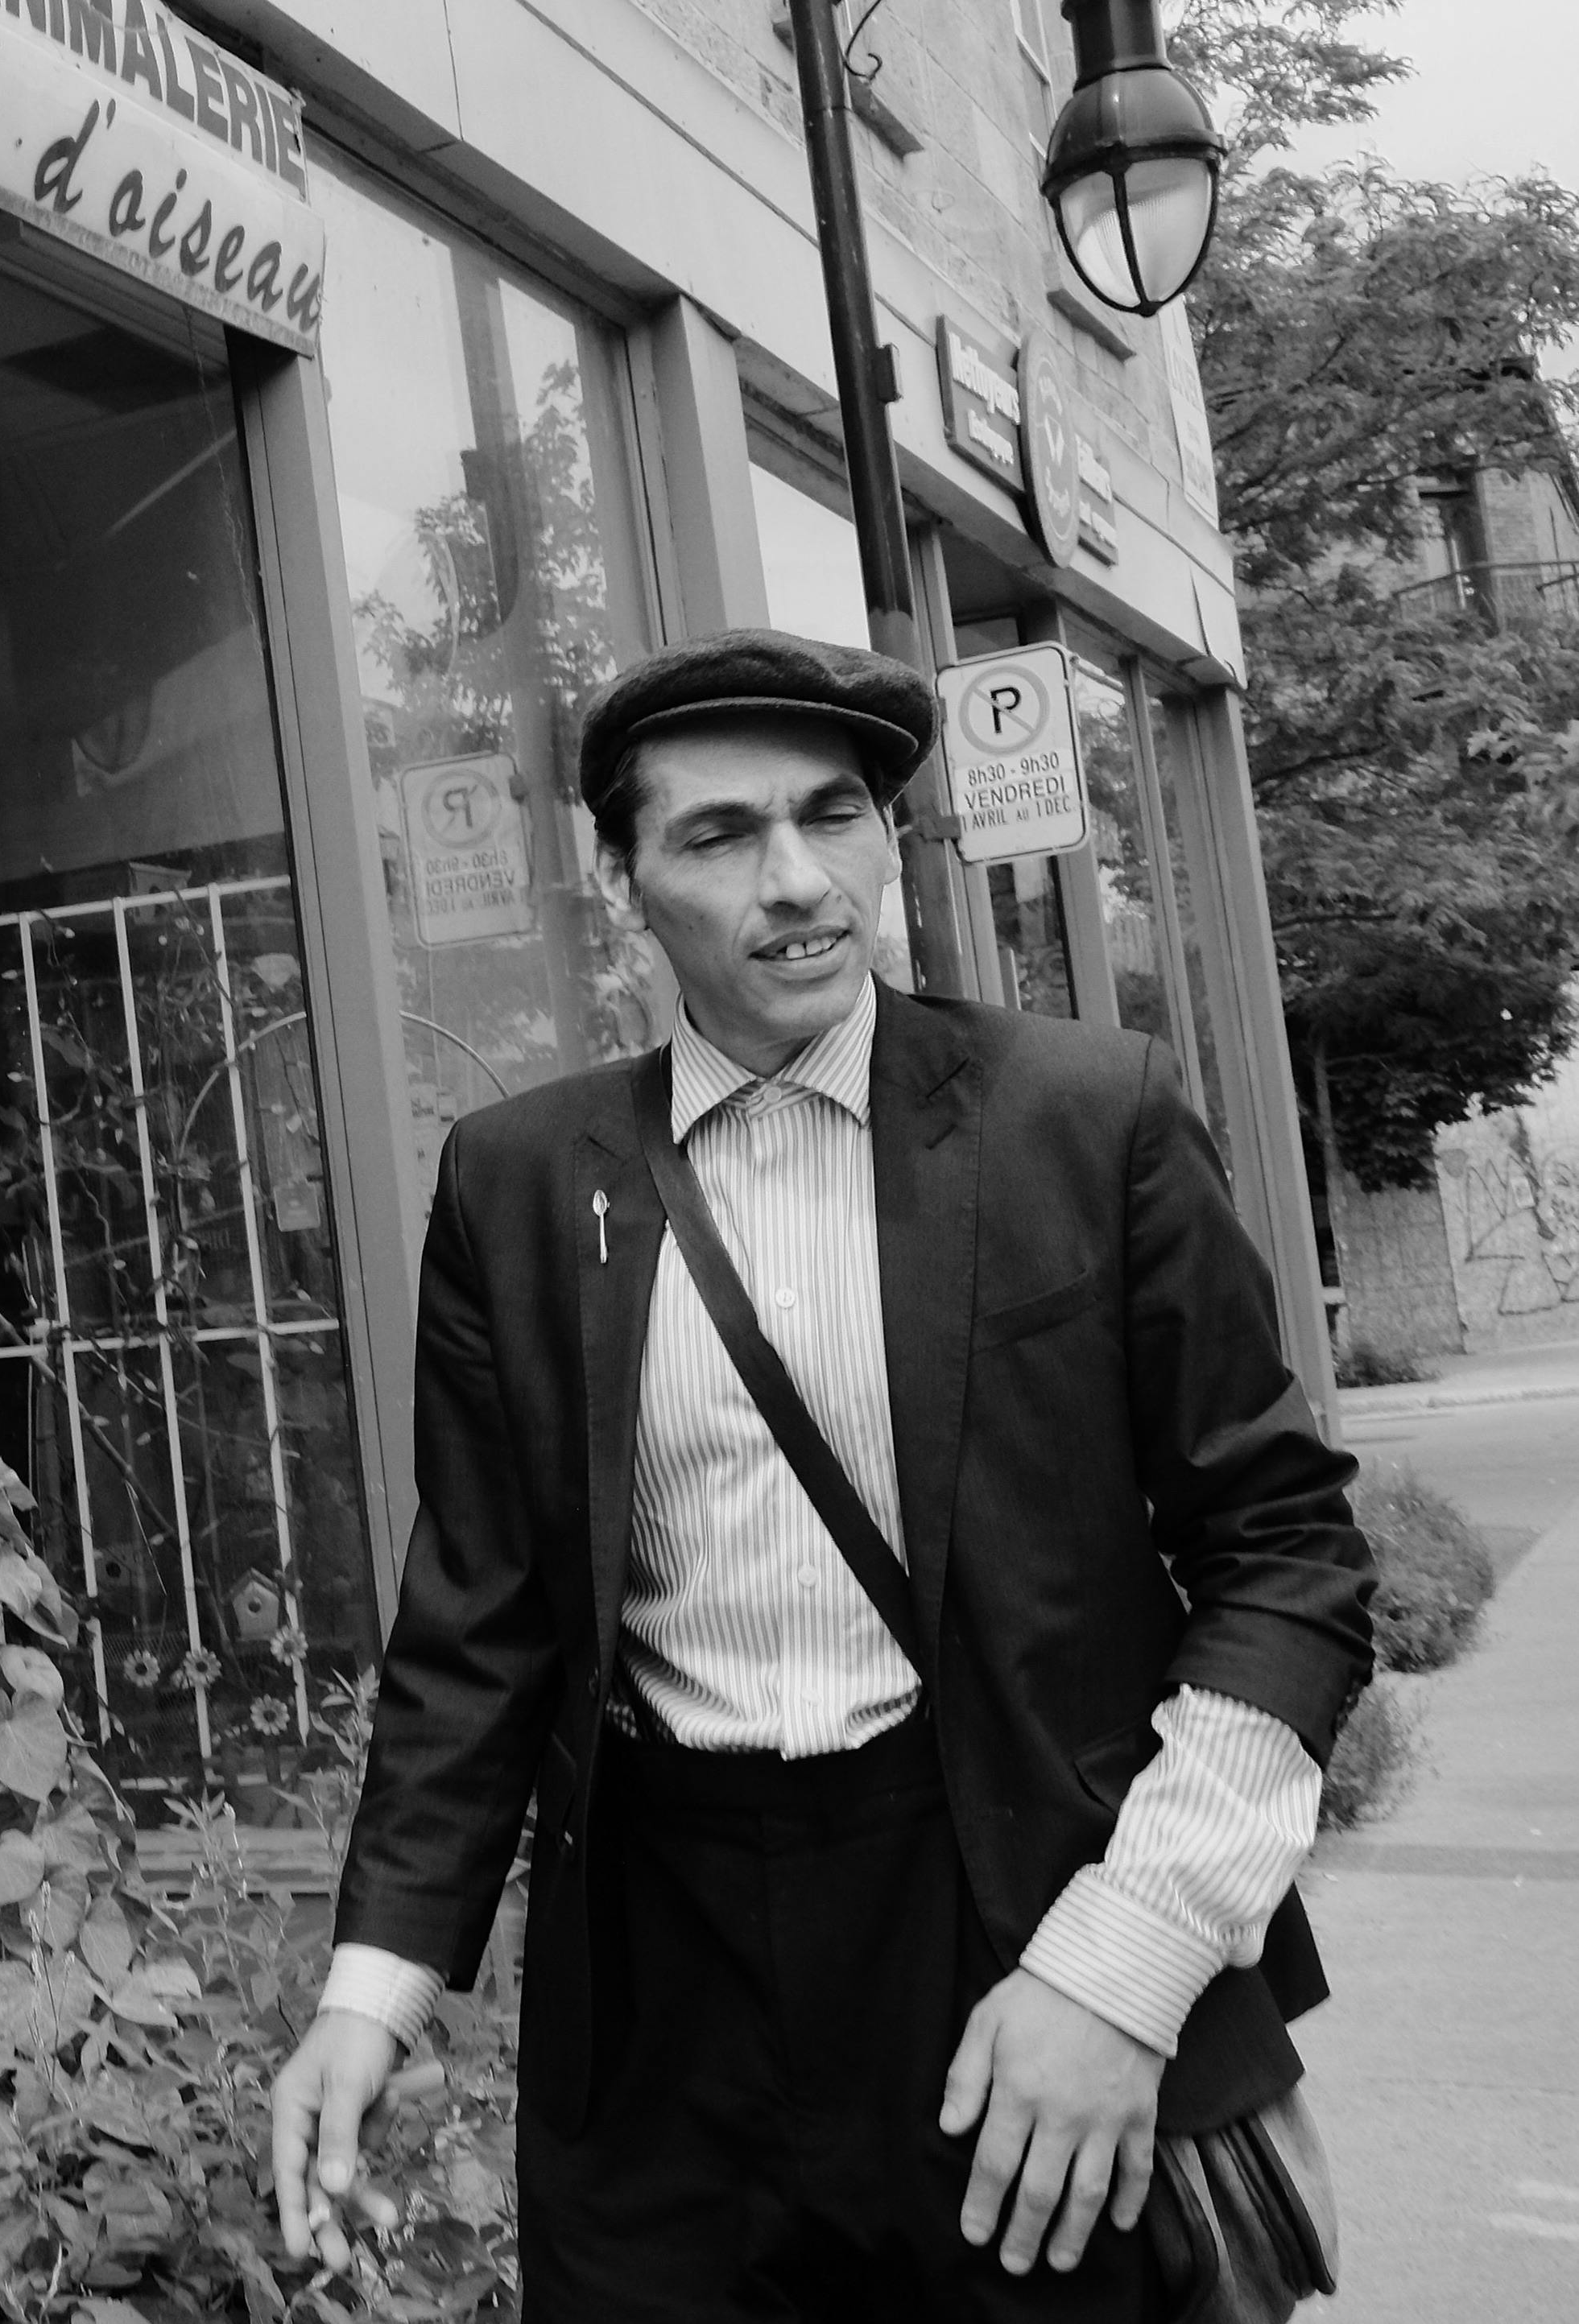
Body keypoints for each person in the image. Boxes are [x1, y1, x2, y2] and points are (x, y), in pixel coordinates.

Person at [271, 632, 1374, 2321]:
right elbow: (476, 1625)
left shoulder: (1083, 1118)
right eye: (716, 835)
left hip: (1009, 1917)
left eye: (833, 816)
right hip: (660, 1982)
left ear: (886, 837)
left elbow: (1286, 1557)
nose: (794, 883)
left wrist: (1128, 1959)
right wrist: (373, 1981)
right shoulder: (514, 1178)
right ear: (619, 875)